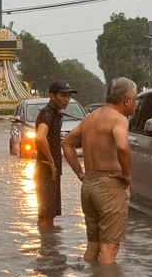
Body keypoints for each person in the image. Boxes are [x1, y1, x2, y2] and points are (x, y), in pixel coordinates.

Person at [62, 77, 138, 264]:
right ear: (127, 100)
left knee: (93, 245)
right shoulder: (119, 119)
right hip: (110, 186)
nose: (135, 103)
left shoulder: (90, 118)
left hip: (88, 185)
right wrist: (127, 175)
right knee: (109, 248)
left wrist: (80, 173)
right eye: (135, 99)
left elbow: (66, 144)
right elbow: (122, 146)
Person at [33, 81, 77, 229]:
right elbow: (40, 137)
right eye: (63, 95)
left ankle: (49, 249)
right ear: (52, 96)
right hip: (46, 170)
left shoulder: (56, 113)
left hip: (51, 170)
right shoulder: (48, 113)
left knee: (50, 215)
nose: (66, 100)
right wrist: (51, 162)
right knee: (46, 216)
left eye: (68, 96)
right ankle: (45, 249)